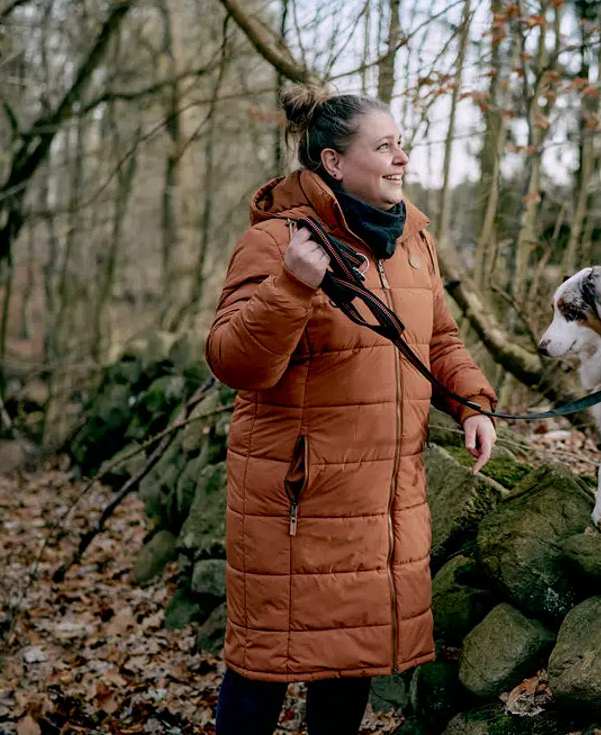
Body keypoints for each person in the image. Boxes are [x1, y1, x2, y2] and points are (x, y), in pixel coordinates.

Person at [204, 84, 499, 733]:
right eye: (385, 146)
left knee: (352, 661)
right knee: (263, 663)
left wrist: (472, 402)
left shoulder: (413, 239)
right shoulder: (277, 242)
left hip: (387, 498)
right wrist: (289, 288)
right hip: (298, 502)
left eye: (403, 145)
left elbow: (440, 339)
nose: (401, 159)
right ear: (334, 163)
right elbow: (233, 360)